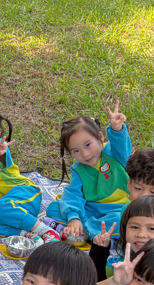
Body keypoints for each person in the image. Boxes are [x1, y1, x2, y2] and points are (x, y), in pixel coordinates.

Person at [0, 104, 61, 242]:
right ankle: (25, 234)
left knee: (1, 207)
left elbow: (2, 157)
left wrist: (0, 153)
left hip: (25, 195)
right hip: (1, 208)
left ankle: (46, 231)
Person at [45, 101, 131, 241]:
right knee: (54, 208)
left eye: (88, 145)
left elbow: (121, 143)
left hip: (119, 208)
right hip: (92, 209)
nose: (85, 154)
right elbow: (73, 194)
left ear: (100, 137)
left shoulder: (114, 152)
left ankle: (83, 231)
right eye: (76, 151)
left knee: (126, 219)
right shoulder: (79, 169)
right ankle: (89, 230)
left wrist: (117, 130)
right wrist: (74, 218)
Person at [88, 195, 154, 281]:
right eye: (134, 227)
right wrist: (99, 252)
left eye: (152, 229)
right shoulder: (119, 265)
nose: (141, 234)